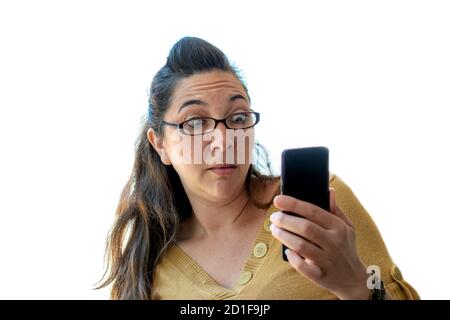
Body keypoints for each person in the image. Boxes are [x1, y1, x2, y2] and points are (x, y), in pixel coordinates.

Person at [97, 36, 420, 300]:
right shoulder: (148, 256)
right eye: (195, 122)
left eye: (237, 118)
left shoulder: (319, 209)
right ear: (160, 144)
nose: (223, 141)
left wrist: (356, 287)